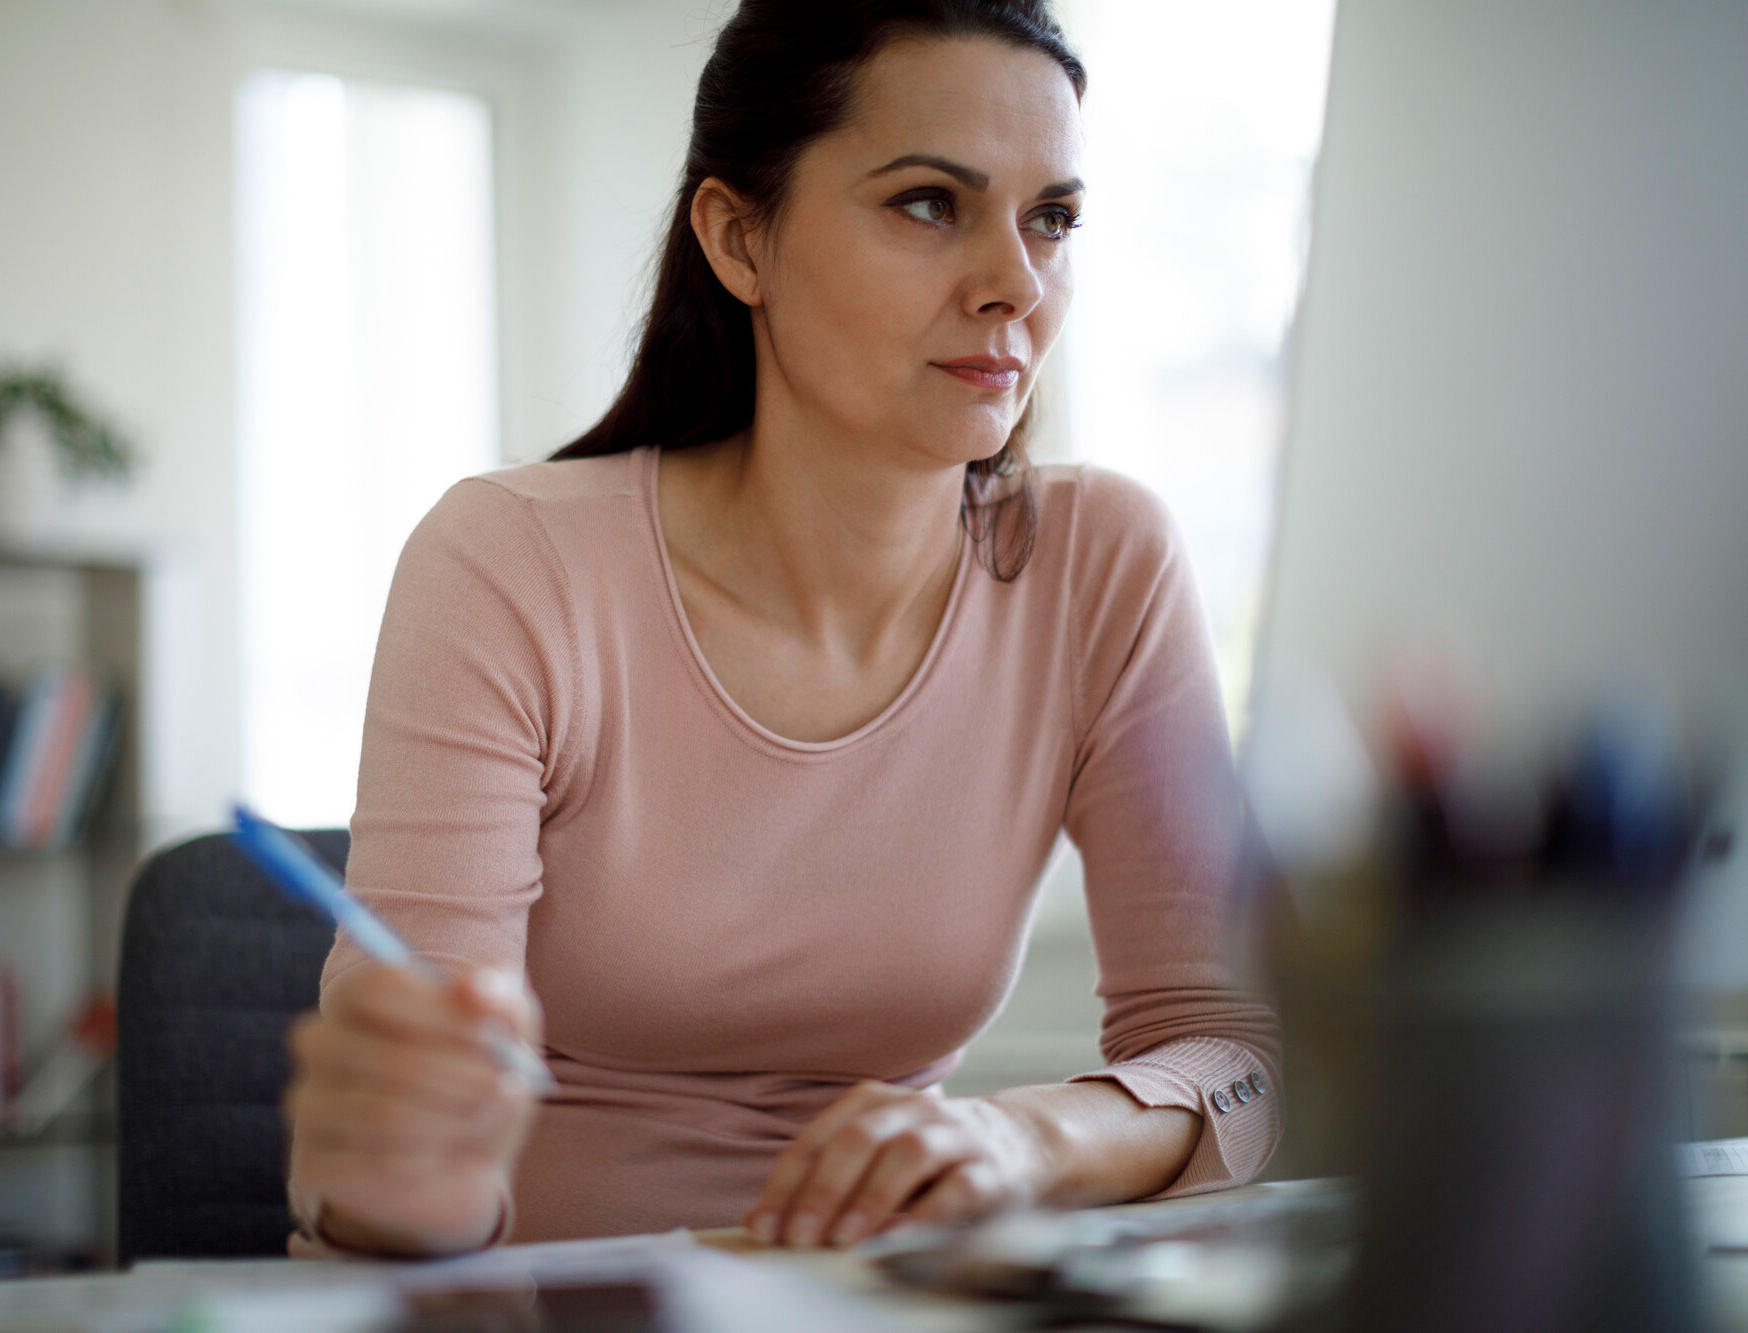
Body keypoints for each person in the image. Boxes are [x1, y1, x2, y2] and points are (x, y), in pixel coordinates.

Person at [282, 0, 1281, 1258]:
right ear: (738, 237)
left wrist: (1022, 1138)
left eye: (1053, 218)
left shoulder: (1103, 564)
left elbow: (1237, 1065)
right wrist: (392, 1164)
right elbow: (392, 1198)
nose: (1015, 283)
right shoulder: (509, 562)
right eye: (928, 202)